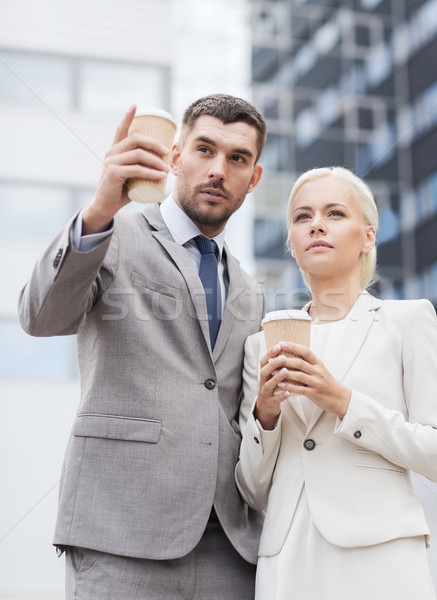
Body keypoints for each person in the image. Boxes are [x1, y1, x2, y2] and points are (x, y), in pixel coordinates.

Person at [18, 94, 267, 600]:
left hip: (230, 547)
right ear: (175, 157)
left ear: (253, 178)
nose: (218, 169)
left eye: (237, 158)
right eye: (204, 149)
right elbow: (41, 317)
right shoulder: (111, 234)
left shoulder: (251, 290)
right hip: (120, 531)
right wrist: (102, 206)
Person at [235, 166, 437, 600]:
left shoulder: (408, 322)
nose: (316, 224)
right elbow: (252, 490)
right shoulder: (260, 344)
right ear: (293, 244)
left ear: (369, 236)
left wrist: (342, 401)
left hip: (379, 556)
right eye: (302, 217)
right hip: (286, 562)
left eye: (335, 213)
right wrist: (264, 415)